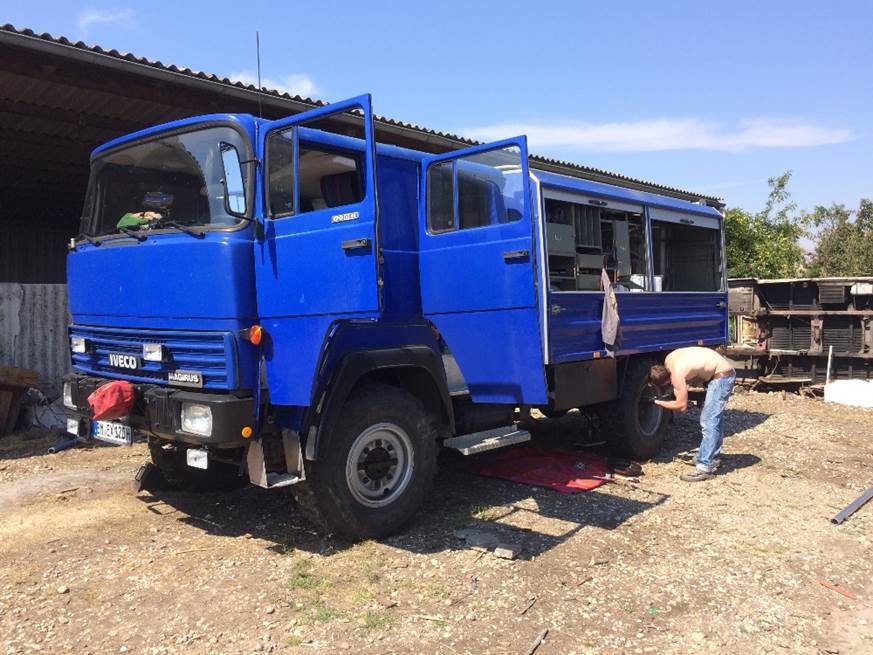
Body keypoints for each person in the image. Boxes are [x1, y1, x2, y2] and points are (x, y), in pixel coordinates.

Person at [649, 347, 736, 482]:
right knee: (715, 419)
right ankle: (712, 456)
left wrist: (658, 403)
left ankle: (704, 467)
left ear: (667, 381)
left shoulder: (677, 375)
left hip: (723, 377)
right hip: (723, 369)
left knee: (708, 421)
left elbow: (681, 406)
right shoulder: (669, 360)